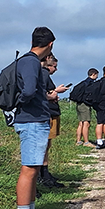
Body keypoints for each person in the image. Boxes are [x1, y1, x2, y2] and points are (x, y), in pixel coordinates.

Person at [12, 27, 60, 209]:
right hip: (31, 121)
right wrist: (22, 104)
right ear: (50, 44)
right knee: (29, 169)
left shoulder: (27, 61)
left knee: (33, 169)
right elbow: (29, 90)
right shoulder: (31, 62)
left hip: (33, 119)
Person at [39, 54, 69, 188]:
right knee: (44, 145)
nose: (56, 69)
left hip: (50, 112)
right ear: (48, 64)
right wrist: (56, 92)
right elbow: (43, 94)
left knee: (47, 145)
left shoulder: (44, 76)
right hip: (48, 113)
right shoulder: (44, 74)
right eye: (54, 66)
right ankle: (43, 175)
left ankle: (45, 174)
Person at [70, 67, 99, 147]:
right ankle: (86, 142)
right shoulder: (90, 83)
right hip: (85, 105)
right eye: (96, 75)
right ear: (93, 74)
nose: (97, 77)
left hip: (79, 104)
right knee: (86, 123)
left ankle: (78, 141)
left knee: (81, 123)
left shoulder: (83, 83)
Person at [93, 65, 105, 149]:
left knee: (99, 123)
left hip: (98, 104)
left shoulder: (99, 81)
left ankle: (99, 141)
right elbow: (104, 92)